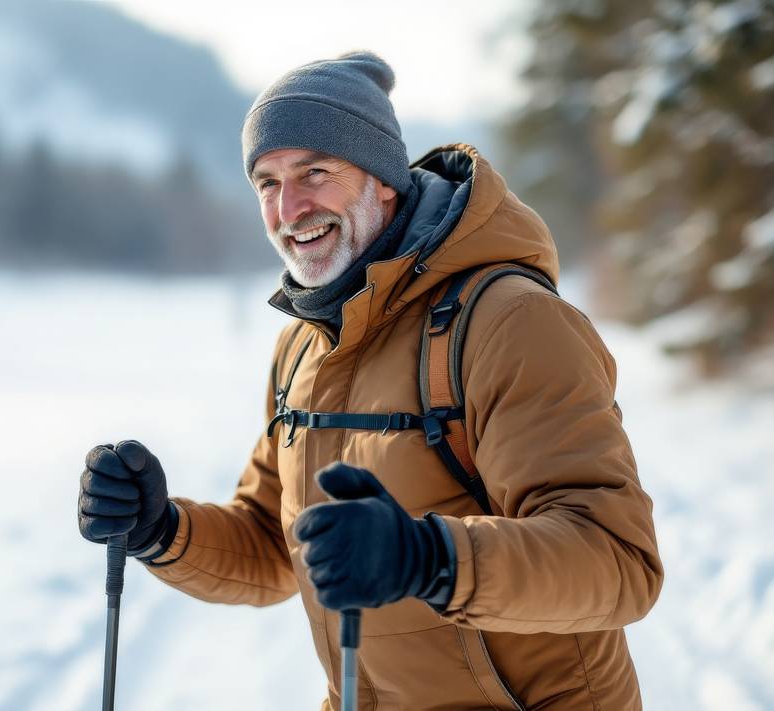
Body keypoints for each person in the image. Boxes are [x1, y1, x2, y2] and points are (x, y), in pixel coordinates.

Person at [76, 51, 663, 710]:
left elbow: (616, 561)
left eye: (315, 172)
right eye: (266, 182)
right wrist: (158, 527)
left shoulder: (510, 322)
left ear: (383, 179)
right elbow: (275, 549)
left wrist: (426, 556)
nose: (289, 207)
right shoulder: (304, 346)